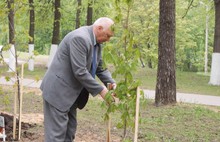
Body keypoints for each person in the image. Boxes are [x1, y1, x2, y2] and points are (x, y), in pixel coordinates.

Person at [40, 17, 116, 142]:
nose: (108, 40)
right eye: (107, 36)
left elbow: (100, 68)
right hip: (58, 93)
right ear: (99, 28)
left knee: (69, 133)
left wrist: (111, 83)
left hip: (71, 96)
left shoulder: (97, 43)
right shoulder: (80, 38)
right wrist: (102, 91)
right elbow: (80, 71)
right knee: (56, 137)